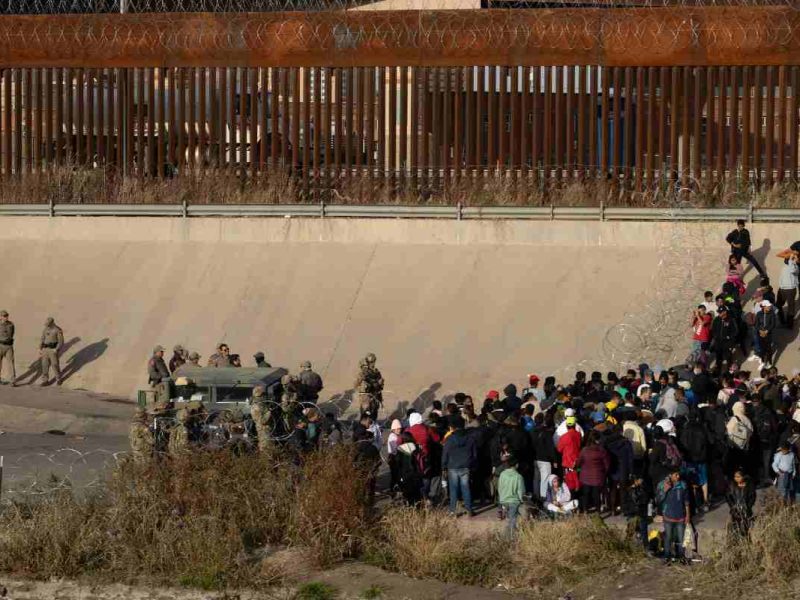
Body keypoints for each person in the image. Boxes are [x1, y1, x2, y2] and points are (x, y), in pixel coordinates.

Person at [442, 415, 477, 517]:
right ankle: (469, 509)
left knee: (453, 489)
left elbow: (445, 453)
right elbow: (474, 454)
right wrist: (473, 465)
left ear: (453, 427)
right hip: (466, 466)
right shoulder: (470, 438)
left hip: (452, 466)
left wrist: (443, 466)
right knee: (466, 488)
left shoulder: (449, 439)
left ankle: (453, 511)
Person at [655, 470, 691, 565]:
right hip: (668, 517)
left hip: (680, 517)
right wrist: (665, 490)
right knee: (668, 538)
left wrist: (688, 515)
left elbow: (686, 502)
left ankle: (681, 557)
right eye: (676, 475)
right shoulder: (663, 485)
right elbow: (658, 500)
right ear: (670, 475)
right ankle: (667, 556)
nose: (678, 476)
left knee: (681, 538)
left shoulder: (683, 486)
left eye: (678, 474)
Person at [576, 431, 611, 513]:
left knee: (586, 495)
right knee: (596, 496)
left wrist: (578, 470)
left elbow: (578, 463)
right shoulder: (602, 451)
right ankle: (598, 512)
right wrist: (603, 473)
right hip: (598, 477)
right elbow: (607, 465)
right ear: (597, 440)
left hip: (585, 477)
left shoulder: (584, 450)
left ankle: (585, 510)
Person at [497, 455, 527, 536]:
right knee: (513, 520)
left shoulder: (502, 474)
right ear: (516, 465)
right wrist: (522, 501)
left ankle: (509, 535)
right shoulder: (518, 477)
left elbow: (499, 488)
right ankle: (510, 538)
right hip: (513, 501)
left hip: (503, 501)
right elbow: (521, 492)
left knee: (509, 519)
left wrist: (502, 499)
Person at [726, 470, 756, 540]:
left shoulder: (749, 486)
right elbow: (728, 497)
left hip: (746, 511)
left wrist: (748, 506)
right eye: (735, 477)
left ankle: (746, 540)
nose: (736, 478)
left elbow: (752, 497)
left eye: (738, 477)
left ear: (743, 477)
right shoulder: (732, 485)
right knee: (736, 527)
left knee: (746, 527)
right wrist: (733, 506)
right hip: (735, 511)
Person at [726, 401, 753, 477]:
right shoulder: (747, 419)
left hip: (734, 446)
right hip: (744, 446)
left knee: (734, 464)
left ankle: (735, 478)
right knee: (742, 464)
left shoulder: (734, 419)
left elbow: (729, 432)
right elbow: (751, 432)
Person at [622, 477, 650, 550]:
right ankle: (626, 547)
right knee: (631, 531)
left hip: (640, 513)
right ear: (636, 481)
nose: (642, 481)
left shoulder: (642, 488)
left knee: (643, 531)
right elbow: (633, 501)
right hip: (634, 513)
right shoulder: (630, 490)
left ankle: (645, 547)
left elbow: (646, 500)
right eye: (640, 480)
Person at [557, 416, 582, 493]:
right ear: (574, 425)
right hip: (577, 461)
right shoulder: (578, 435)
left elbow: (559, 449)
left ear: (567, 426)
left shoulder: (564, 437)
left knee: (569, 482)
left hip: (567, 462)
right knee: (578, 479)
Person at [711, 306, 739, 370]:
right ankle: (718, 372)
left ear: (725, 312)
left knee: (728, 357)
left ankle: (729, 371)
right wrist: (715, 337)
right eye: (719, 312)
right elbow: (713, 329)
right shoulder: (716, 319)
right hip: (718, 342)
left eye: (721, 312)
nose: (719, 313)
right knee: (718, 358)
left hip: (727, 342)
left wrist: (729, 337)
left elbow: (735, 331)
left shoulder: (731, 319)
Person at [776, 251, 799, 328]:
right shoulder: (785, 266)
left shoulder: (795, 267)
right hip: (782, 289)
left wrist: (792, 260)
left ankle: (789, 324)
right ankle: (782, 321)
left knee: (790, 307)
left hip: (790, 290)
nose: (786, 259)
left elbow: (792, 269)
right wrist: (791, 258)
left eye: (788, 259)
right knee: (778, 305)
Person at [38, 317, 64, 386]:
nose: (47, 325)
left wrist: (56, 349)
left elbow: (61, 341)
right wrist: (40, 348)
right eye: (46, 324)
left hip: (53, 350)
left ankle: (58, 379)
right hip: (45, 350)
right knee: (45, 365)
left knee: (55, 365)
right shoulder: (45, 329)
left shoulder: (57, 330)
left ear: (52, 323)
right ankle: (45, 380)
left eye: (48, 324)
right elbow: (42, 339)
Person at [753, 300, 777, 369]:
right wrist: (760, 331)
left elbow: (773, 324)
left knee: (768, 349)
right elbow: (756, 324)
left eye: (769, 306)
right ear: (764, 307)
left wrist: (767, 331)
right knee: (762, 349)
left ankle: (769, 362)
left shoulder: (772, 314)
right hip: (760, 334)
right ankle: (763, 362)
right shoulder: (758, 314)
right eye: (768, 306)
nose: (770, 307)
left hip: (768, 334)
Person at [387, 418, 403, 492]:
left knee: (396, 475)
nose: (399, 430)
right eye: (398, 429)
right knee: (395, 475)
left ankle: (394, 490)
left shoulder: (395, 436)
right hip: (394, 458)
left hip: (394, 457)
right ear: (394, 429)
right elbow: (395, 449)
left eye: (400, 428)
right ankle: (393, 490)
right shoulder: (392, 437)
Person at [0, 310, 15, 386]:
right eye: (4, 316)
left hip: (9, 346)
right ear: (0, 317)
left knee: (11, 363)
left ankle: (12, 381)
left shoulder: (11, 324)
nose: (6, 317)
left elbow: (12, 334)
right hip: (0, 345)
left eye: (6, 316)